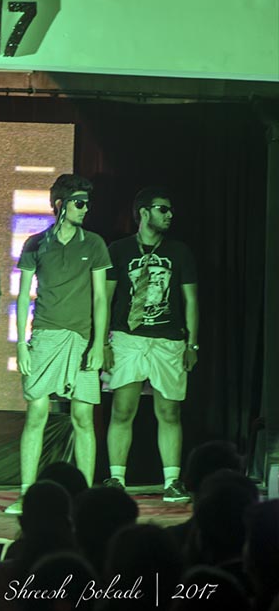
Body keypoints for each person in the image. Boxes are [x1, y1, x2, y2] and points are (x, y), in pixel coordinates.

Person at [7, 174, 110, 514]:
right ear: (60, 205)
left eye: (87, 203)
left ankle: (86, 499)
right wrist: (21, 345)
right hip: (45, 336)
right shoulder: (36, 243)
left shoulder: (94, 243)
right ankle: (26, 494)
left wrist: (98, 344)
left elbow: (100, 298)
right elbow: (23, 296)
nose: (85, 209)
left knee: (83, 415)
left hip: (81, 338)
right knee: (37, 412)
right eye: (79, 203)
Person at [103, 187, 199, 503]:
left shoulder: (179, 251)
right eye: (162, 209)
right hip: (128, 337)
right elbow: (106, 298)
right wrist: (102, 343)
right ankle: (116, 478)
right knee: (122, 408)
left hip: (168, 339)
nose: (169, 215)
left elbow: (191, 300)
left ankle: (172, 481)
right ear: (144, 212)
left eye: (170, 210)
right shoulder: (119, 249)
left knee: (169, 411)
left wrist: (193, 344)